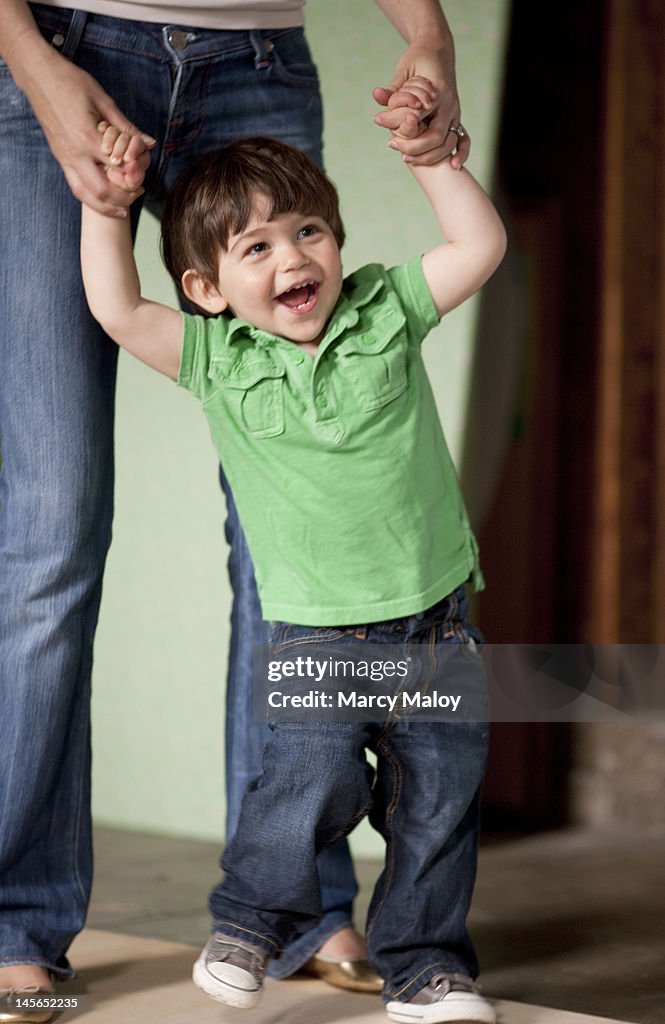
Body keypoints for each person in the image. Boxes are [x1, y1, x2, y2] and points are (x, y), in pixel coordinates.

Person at [0, 0, 470, 1014]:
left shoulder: (375, 306)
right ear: (209, 290)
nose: (293, 255)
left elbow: (472, 247)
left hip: (255, 54)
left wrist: (426, 37)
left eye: (309, 234)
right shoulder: (196, 333)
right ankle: (16, 919)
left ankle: (290, 906)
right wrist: (29, 60)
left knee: (290, 556)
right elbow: (122, 308)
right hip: (58, 44)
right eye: (262, 249)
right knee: (49, 534)